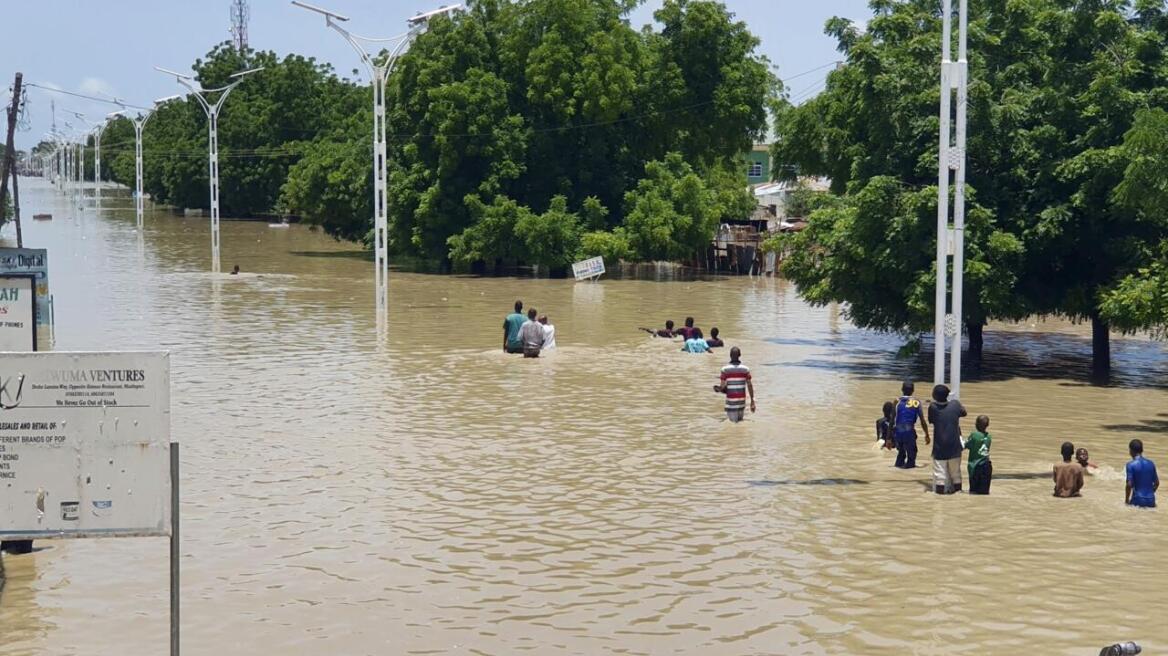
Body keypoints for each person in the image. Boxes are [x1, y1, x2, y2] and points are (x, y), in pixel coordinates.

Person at [927, 384, 966, 494]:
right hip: (955, 446)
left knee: (940, 476)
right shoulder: (955, 404)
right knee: (956, 475)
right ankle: (958, 493)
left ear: (934, 396)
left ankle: (939, 497)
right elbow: (964, 413)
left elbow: (932, 420)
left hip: (940, 448)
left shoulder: (933, 407)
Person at [892, 381, 930, 469]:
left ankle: (897, 469)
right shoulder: (916, 402)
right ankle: (908, 470)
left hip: (897, 433)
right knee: (912, 455)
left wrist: (889, 438)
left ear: (902, 390)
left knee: (901, 453)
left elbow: (891, 420)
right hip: (909, 432)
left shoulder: (896, 401)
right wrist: (927, 434)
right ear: (913, 390)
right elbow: (922, 421)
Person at [715, 346, 755, 423]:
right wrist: (752, 401)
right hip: (741, 402)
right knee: (740, 423)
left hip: (731, 403)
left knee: (733, 425)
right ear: (740, 355)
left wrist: (718, 389)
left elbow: (722, 387)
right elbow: (749, 385)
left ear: (730, 355)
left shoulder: (725, 370)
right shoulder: (745, 369)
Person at [1125, 439, 1158, 508]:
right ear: (1142, 450)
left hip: (1137, 500)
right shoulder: (1151, 463)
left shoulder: (1130, 465)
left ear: (1131, 451)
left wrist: (1126, 500)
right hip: (1151, 501)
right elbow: (1157, 483)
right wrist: (1149, 495)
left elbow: (1129, 485)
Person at [965, 415, 992, 495]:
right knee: (984, 493)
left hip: (976, 467)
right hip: (987, 466)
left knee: (973, 493)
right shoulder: (989, 437)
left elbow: (965, 445)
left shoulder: (974, 435)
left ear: (977, 424)